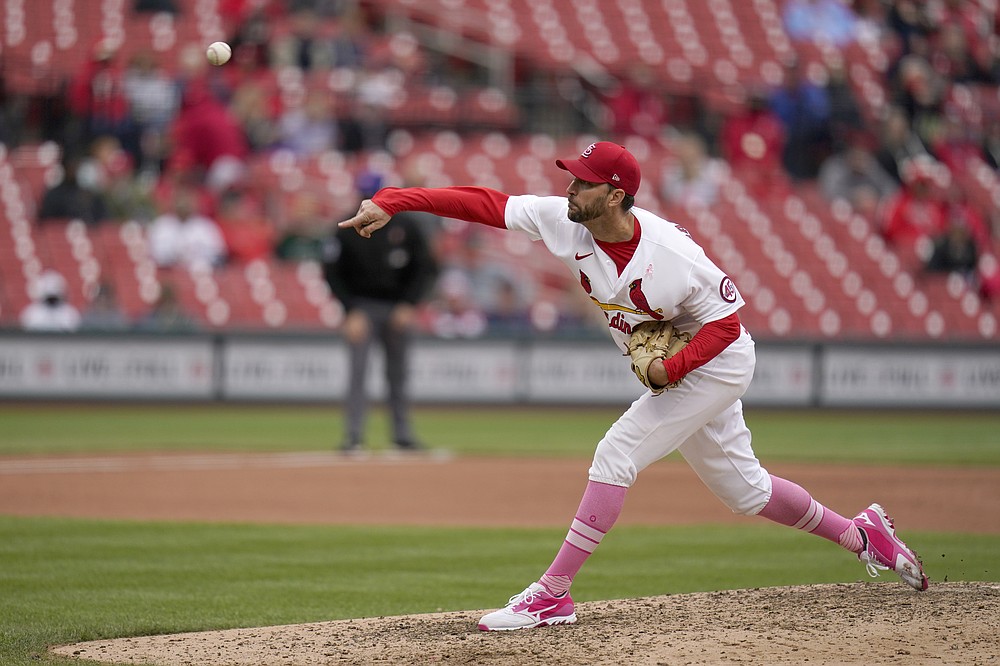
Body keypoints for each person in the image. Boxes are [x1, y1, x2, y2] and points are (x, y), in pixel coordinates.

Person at [338, 141, 929, 631]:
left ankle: (553, 593)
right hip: (683, 365)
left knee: (617, 451)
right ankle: (863, 535)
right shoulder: (563, 223)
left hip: (716, 363)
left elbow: (728, 325)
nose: (569, 190)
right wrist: (395, 200)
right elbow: (484, 204)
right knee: (746, 493)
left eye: (583, 183)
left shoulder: (672, 253)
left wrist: (671, 370)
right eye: (571, 179)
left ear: (615, 195)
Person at [323, 172, 439, 452]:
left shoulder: (406, 226)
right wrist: (350, 310)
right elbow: (331, 272)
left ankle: (402, 434)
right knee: (358, 374)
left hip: (397, 307)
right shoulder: (345, 227)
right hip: (362, 306)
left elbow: (425, 267)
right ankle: (353, 436)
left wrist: (409, 304)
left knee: (398, 374)